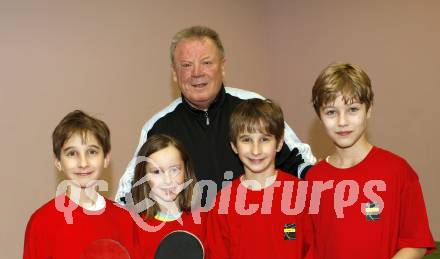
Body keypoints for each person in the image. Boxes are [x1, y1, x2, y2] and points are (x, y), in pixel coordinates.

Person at [116, 26, 315, 204]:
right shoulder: (158, 127)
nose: (197, 73)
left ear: (223, 66)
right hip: (192, 241)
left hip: (259, 231)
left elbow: (302, 166)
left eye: (206, 62)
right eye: (186, 65)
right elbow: (129, 196)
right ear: (174, 73)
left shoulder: (254, 107)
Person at [307, 63, 435, 259]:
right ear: (319, 116)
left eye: (353, 109)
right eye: (331, 112)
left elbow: (416, 244)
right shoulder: (314, 178)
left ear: (369, 110)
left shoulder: (398, 171)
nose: (343, 121)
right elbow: (312, 247)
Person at [21, 110, 144, 259]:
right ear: (57, 161)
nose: (83, 162)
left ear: (106, 158)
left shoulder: (124, 218)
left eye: (92, 152)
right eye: (71, 153)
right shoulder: (42, 222)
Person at [206, 99, 315, 259]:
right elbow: (220, 254)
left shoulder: (302, 193)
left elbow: (312, 249)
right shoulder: (223, 200)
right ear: (233, 146)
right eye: (246, 139)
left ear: (279, 143)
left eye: (264, 139)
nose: (256, 150)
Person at [129, 134, 218, 259]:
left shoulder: (202, 219)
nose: (168, 180)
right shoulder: (132, 225)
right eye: (156, 172)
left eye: (174, 169)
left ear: (186, 172)